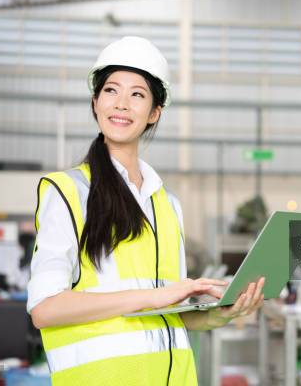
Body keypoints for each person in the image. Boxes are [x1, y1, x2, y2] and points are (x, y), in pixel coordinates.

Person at [27, 36, 265, 386]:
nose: (121, 104)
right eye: (111, 90)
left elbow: (166, 313)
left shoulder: (166, 204)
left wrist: (218, 316)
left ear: (154, 112)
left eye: (137, 94)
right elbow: (44, 309)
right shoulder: (67, 192)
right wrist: (152, 296)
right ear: (95, 102)